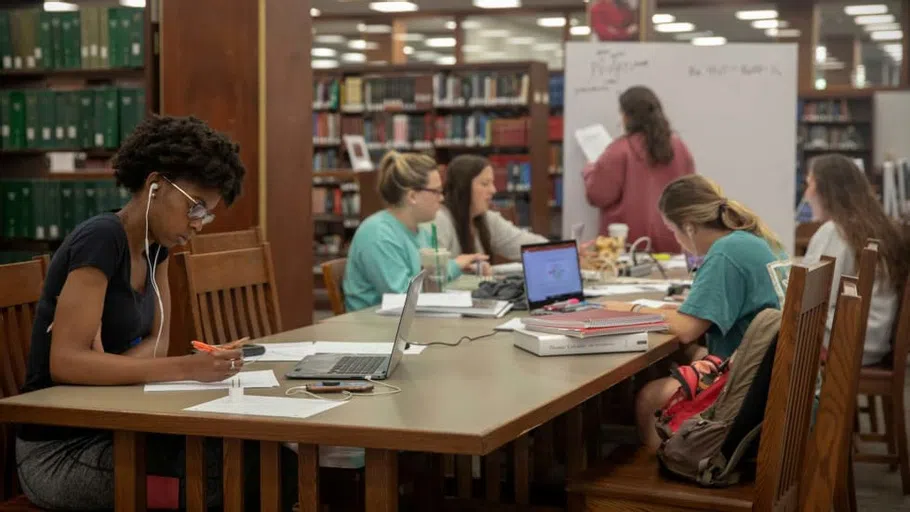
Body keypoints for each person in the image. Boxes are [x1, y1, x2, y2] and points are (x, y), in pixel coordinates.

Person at [15, 115, 298, 510]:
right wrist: (188, 368)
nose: (199, 224)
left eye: (207, 214)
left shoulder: (157, 247)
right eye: (195, 208)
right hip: (62, 452)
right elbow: (65, 363)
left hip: (118, 427)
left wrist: (104, 367)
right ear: (155, 186)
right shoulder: (101, 239)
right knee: (241, 478)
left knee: (274, 463)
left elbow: (157, 343)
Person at [602, 174, 784, 450]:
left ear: (688, 227)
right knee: (679, 358)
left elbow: (687, 329)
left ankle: (668, 475)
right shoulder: (746, 241)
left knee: (650, 398)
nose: (676, 240)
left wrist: (631, 309)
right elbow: (698, 313)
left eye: (673, 231)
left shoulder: (725, 252)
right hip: (766, 373)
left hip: (748, 388)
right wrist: (664, 309)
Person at [343, 151, 489, 312]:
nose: (441, 198)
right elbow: (402, 296)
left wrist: (457, 268)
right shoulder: (378, 234)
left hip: (406, 323)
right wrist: (453, 266)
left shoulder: (422, 232)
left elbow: (427, 283)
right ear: (412, 196)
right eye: (436, 191)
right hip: (374, 329)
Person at [802, 154, 908, 366]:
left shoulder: (835, 231)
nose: (806, 195)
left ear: (827, 190)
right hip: (873, 340)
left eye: (810, 185)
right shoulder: (877, 226)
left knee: (767, 336)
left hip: (845, 340)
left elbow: (812, 298)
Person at [583, 86, 695, 253]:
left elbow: (598, 195)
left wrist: (590, 170)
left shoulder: (618, 150)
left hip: (627, 247)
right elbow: (692, 193)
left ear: (628, 117)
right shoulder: (678, 147)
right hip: (673, 243)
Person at [432, 154, 548, 263]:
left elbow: (524, 242)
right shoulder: (440, 220)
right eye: (485, 184)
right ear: (463, 188)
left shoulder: (487, 219)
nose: (493, 190)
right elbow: (435, 272)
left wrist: (559, 251)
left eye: (492, 183)